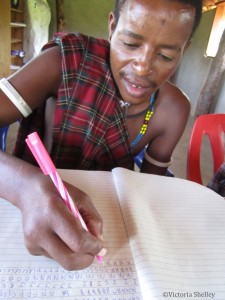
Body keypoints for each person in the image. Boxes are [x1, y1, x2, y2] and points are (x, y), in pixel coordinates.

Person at [0, 0, 203, 270]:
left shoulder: (173, 110)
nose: (142, 68)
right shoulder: (65, 64)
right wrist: (25, 187)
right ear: (112, 27)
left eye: (165, 56)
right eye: (130, 44)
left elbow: (148, 193)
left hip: (105, 229)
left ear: (184, 48)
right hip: (25, 217)